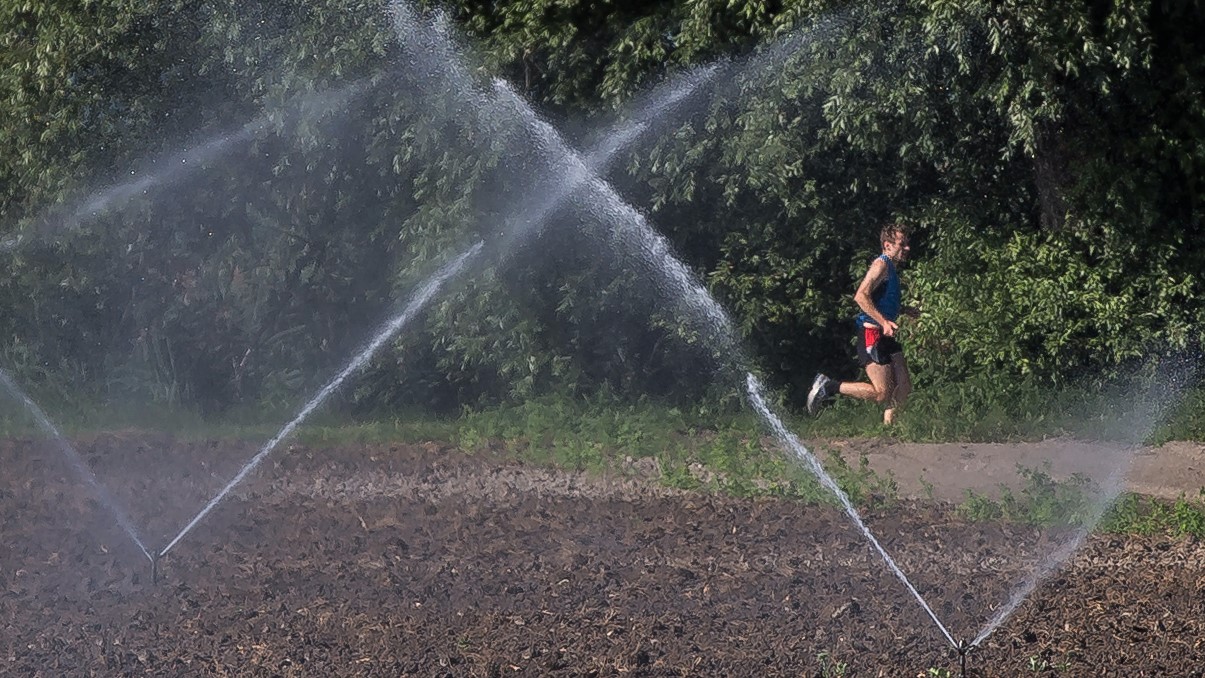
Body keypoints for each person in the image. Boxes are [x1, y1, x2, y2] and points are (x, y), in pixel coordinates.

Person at [807, 223, 919, 425]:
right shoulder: (881, 264)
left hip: (885, 335)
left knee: (903, 385)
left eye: (907, 244)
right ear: (887, 245)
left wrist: (903, 310)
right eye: (902, 244)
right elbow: (861, 296)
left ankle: (890, 428)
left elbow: (879, 299)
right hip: (872, 335)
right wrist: (884, 321)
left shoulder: (891, 268)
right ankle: (830, 386)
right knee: (881, 393)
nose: (907, 248)